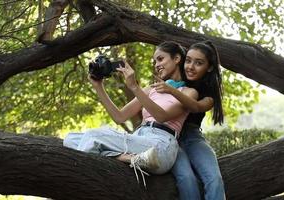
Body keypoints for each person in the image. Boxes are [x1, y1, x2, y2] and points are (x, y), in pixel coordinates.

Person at [63, 41, 197, 187]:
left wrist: (134, 87)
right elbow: (119, 117)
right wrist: (99, 87)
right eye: (154, 61)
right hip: (138, 139)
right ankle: (127, 158)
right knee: (70, 139)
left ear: (176, 59)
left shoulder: (188, 92)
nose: (156, 65)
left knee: (93, 137)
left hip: (160, 147)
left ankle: (75, 184)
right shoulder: (150, 89)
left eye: (160, 59)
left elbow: (162, 116)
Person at [152, 41, 225, 199]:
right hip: (168, 138)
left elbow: (196, 107)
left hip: (192, 137)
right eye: (188, 60)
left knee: (214, 178)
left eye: (199, 63)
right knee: (187, 179)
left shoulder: (208, 91)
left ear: (210, 67)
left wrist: (172, 91)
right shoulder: (173, 80)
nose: (190, 66)